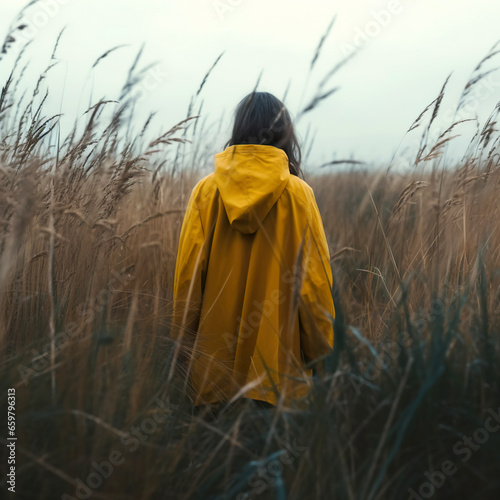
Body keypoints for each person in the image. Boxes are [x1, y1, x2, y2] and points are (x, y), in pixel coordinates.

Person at [171, 91, 335, 414]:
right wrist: (324, 357)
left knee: (214, 464)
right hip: (279, 381)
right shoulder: (300, 197)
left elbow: (188, 282)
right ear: (285, 135)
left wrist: (180, 350)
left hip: (212, 379)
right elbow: (314, 289)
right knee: (274, 462)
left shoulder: (205, 193)